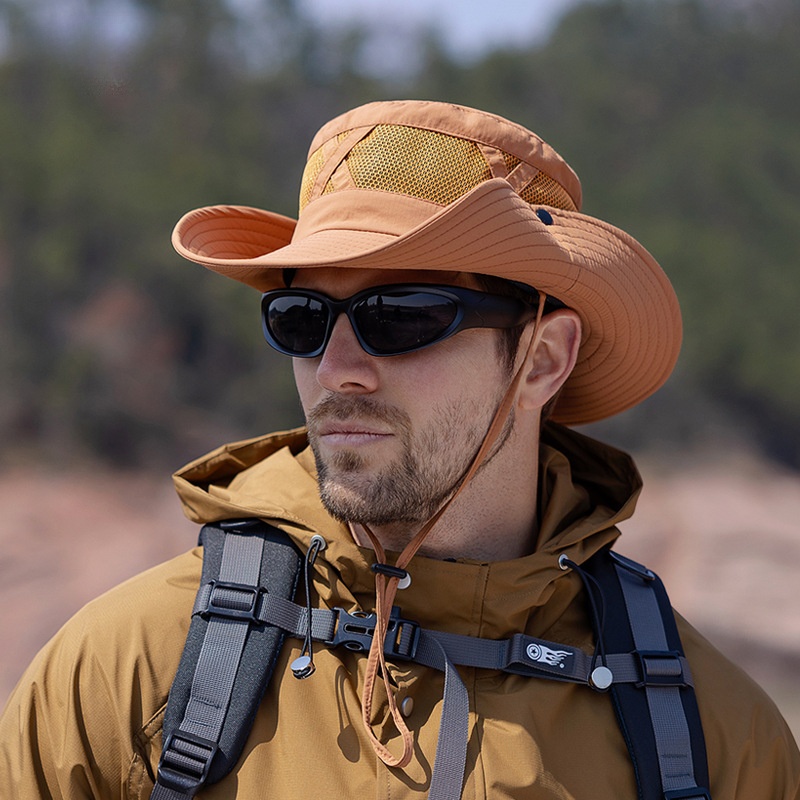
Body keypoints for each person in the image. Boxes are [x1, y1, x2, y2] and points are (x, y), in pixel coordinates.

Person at [1, 99, 798, 799]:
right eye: (303, 319)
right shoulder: (125, 671)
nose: (338, 370)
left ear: (543, 359)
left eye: (403, 316)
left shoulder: (716, 740)